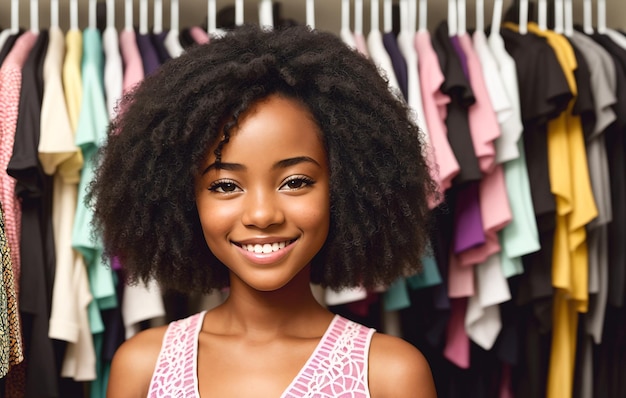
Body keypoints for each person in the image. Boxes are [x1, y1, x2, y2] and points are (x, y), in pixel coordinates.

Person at [90, 23, 438, 398]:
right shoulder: (143, 366)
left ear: (347, 188)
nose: (262, 214)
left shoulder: (390, 376)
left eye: (295, 182)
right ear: (181, 199)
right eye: (225, 186)